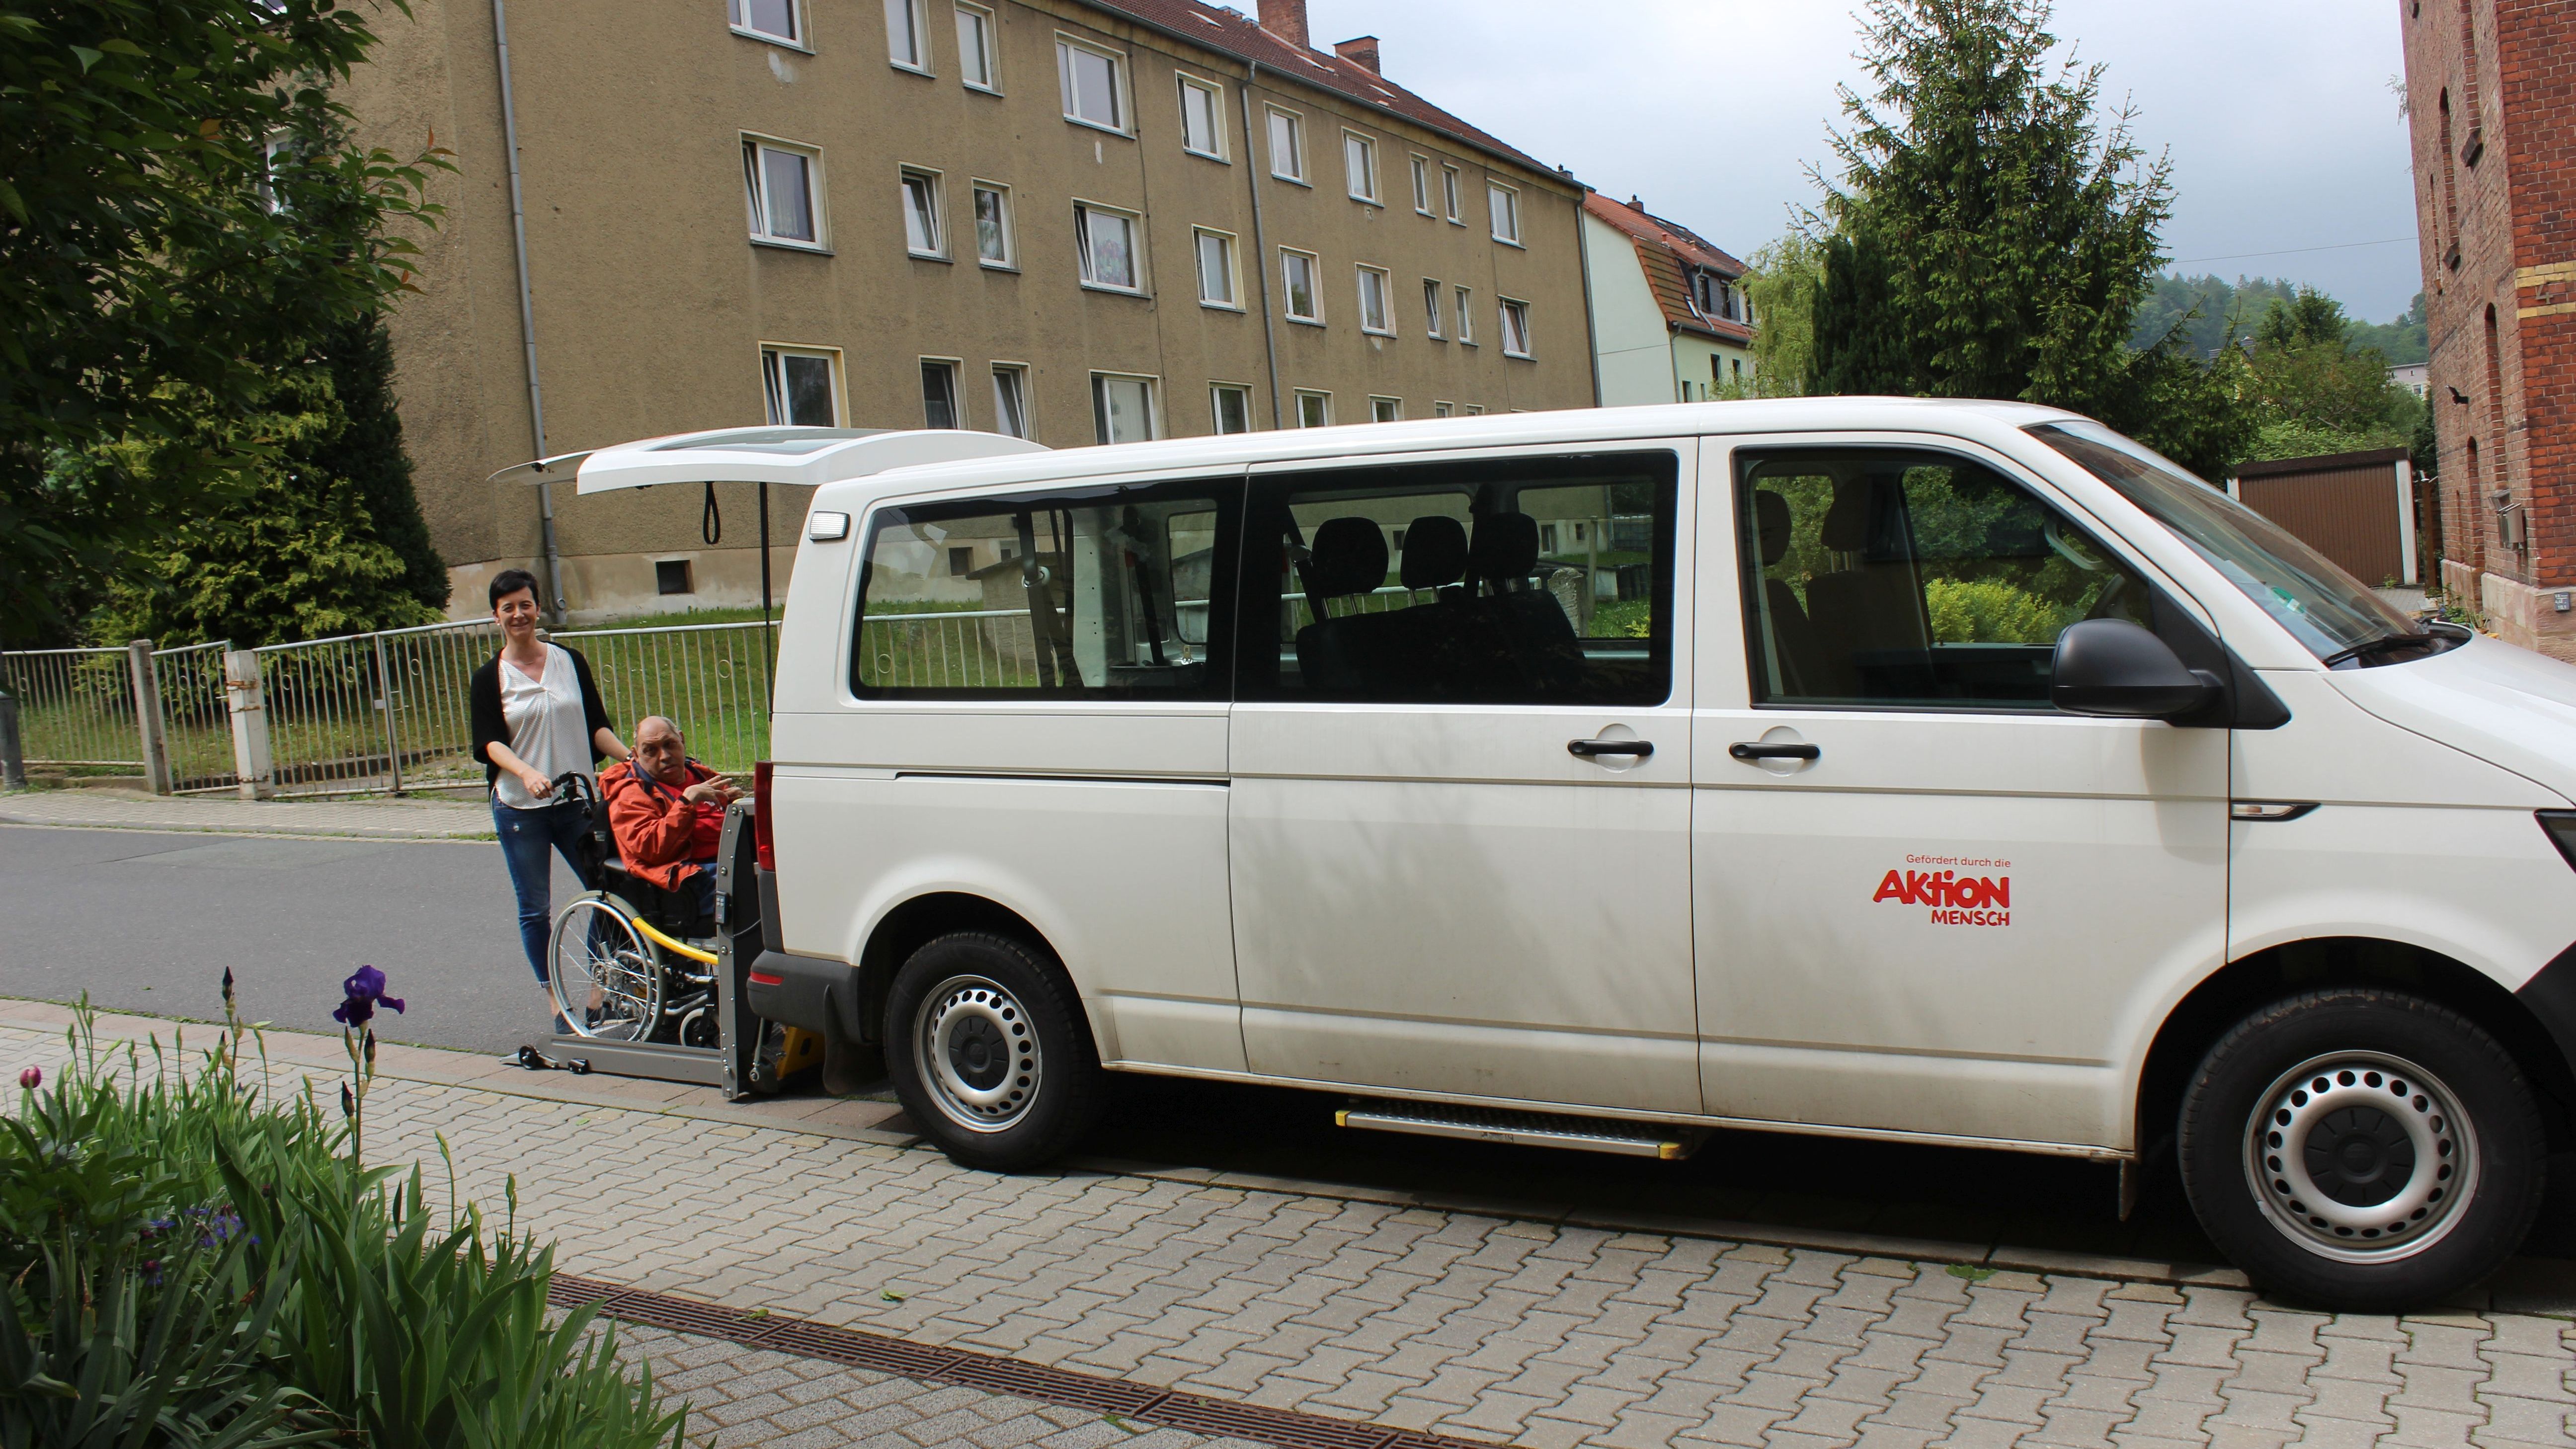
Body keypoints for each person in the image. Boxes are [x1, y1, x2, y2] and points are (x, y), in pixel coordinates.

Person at [470, 569, 631, 1031]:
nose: (518, 614)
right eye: (508, 608)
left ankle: (600, 987)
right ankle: (557, 1002)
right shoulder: (489, 678)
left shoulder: (569, 662)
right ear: (496, 617)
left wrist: (633, 758)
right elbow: (489, 743)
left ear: (538, 608)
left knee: (611, 891)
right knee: (534, 907)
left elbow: (596, 727)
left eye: (525, 604)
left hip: (578, 802)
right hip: (521, 807)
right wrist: (527, 772)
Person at [600, 716, 741, 923]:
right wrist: (687, 802)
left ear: (682, 740)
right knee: (757, 888)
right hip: (688, 881)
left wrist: (738, 809)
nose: (665, 756)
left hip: (729, 860)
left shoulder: (699, 774)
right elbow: (651, 849)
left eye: (670, 744)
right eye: (651, 750)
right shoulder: (631, 793)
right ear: (636, 754)